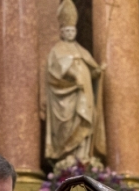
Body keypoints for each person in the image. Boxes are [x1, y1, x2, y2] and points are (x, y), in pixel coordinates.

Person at [45, 0, 105, 163]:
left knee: (85, 118)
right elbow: (54, 73)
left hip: (84, 93)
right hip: (67, 96)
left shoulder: (81, 50)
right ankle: (67, 156)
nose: (70, 33)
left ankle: (83, 154)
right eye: (67, 31)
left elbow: (92, 69)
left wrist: (97, 71)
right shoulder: (57, 50)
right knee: (68, 124)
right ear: (62, 33)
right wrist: (72, 75)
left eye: (73, 30)